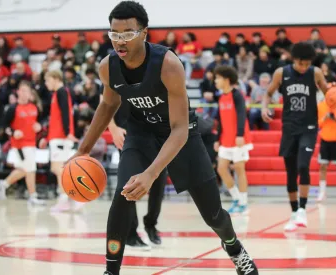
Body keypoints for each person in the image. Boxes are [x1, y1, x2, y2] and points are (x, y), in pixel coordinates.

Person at [67, 2, 259, 275]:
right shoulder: (107, 67)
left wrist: (151, 173)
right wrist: (82, 151)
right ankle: (111, 271)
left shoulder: (168, 64)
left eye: (127, 33)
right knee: (123, 196)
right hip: (141, 134)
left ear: (144, 33)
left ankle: (235, 248)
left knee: (213, 214)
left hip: (182, 136)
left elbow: (179, 128)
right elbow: (108, 105)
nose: (120, 41)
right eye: (114, 33)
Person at [262, 42, 334, 231]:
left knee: (303, 165)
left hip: (309, 127)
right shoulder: (281, 73)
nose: (304, 67)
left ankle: (302, 209)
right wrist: (264, 107)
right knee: (291, 171)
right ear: (294, 60)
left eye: (307, 64)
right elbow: (268, 93)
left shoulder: (315, 72)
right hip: (289, 127)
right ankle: (294, 213)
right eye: (301, 63)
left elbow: (329, 94)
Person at [108, 101, 166, 250]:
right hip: (128, 134)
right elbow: (105, 102)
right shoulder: (114, 77)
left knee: (159, 183)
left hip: (155, 132)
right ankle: (131, 233)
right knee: (129, 182)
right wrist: (113, 129)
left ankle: (151, 224)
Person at [0, 81, 45, 205]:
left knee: (24, 169)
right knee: (31, 169)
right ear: (18, 92)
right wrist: (13, 132)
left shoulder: (34, 107)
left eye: (26, 91)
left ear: (30, 94)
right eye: (21, 90)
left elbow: (39, 123)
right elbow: (4, 126)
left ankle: (3, 184)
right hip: (20, 145)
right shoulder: (12, 108)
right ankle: (33, 197)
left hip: (32, 143)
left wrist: (39, 127)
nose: (24, 93)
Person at [39, 70, 80, 212]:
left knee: (58, 169)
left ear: (55, 78)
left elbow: (65, 113)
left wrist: (68, 132)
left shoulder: (62, 92)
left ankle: (66, 199)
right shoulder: (58, 93)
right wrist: (47, 137)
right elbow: (56, 118)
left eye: (47, 80)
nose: (46, 83)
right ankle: (74, 198)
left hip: (61, 137)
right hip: (56, 137)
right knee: (61, 169)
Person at [213, 65, 253, 215]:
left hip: (238, 139)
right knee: (221, 168)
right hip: (225, 139)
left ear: (226, 79)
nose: (215, 81)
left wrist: (240, 135)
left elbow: (242, 115)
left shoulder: (237, 95)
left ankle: (244, 203)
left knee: (239, 169)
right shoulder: (221, 97)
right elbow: (221, 120)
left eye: (217, 78)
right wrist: (217, 139)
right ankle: (236, 198)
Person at [316, 98, 336, 202]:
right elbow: (318, 124)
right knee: (323, 166)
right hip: (325, 139)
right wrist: (324, 118)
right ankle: (322, 192)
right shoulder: (320, 106)